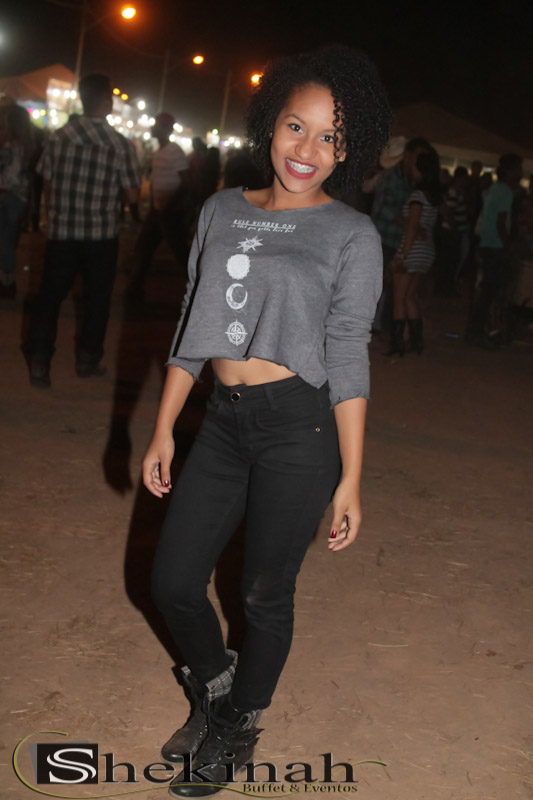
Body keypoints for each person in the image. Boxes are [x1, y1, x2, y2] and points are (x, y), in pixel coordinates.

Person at [142, 44, 390, 797]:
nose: (306, 149)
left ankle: (239, 723)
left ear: (346, 151)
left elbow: (347, 352)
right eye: (295, 126)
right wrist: (163, 426)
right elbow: (193, 323)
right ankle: (216, 689)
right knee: (173, 580)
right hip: (222, 421)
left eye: (329, 137)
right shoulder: (221, 209)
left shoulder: (352, 234)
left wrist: (351, 478)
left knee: (262, 593)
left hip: (298, 429)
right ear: (270, 125)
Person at [27, 74, 140, 387]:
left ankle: (39, 362)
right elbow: (133, 195)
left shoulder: (58, 137)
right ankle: (87, 359)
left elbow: (46, 181)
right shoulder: (120, 145)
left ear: (82, 99)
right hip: (101, 236)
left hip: (62, 233)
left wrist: (53, 213)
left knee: (50, 298)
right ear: (106, 102)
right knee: (96, 301)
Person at [370, 136, 430, 332]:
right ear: (408, 155)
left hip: (400, 240)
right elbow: (383, 209)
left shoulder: (413, 181)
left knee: (394, 289)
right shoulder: (391, 177)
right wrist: (410, 224)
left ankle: (385, 328)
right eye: (419, 156)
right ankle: (374, 326)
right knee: (379, 286)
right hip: (384, 238)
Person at [128, 112, 190, 300]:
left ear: (164, 129)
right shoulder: (160, 151)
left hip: (170, 213)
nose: (152, 127)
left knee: (181, 253)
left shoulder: (174, 151)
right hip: (158, 212)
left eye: (156, 124)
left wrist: (169, 206)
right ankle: (135, 289)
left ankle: (202, 286)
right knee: (143, 248)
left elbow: (187, 182)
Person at [388, 147, 442, 355]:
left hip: (412, 250)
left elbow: (412, 227)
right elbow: (419, 225)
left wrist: (401, 255)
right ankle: (416, 343)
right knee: (411, 297)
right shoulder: (433, 196)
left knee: (399, 298)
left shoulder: (417, 195)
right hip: (426, 251)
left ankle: (397, 345)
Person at [469, 153, 523, 347]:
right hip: (496, 247)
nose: (521, 173)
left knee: (486, 292)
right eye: (518, 169)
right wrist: (509, 249)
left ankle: (477, 330)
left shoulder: (493, 189)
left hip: (487, 244)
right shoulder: (506, 192)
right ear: (510, 171)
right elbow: (501, 224)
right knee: (491, 293)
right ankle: (480, 332)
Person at [0, 102, 35, 297]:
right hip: (19, 197)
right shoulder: (27, 147)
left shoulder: (9, 146)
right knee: (9, 240)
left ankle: (7, 281)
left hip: (6, 194)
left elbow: (8, 175)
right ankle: (8, 279)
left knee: (5, 240)